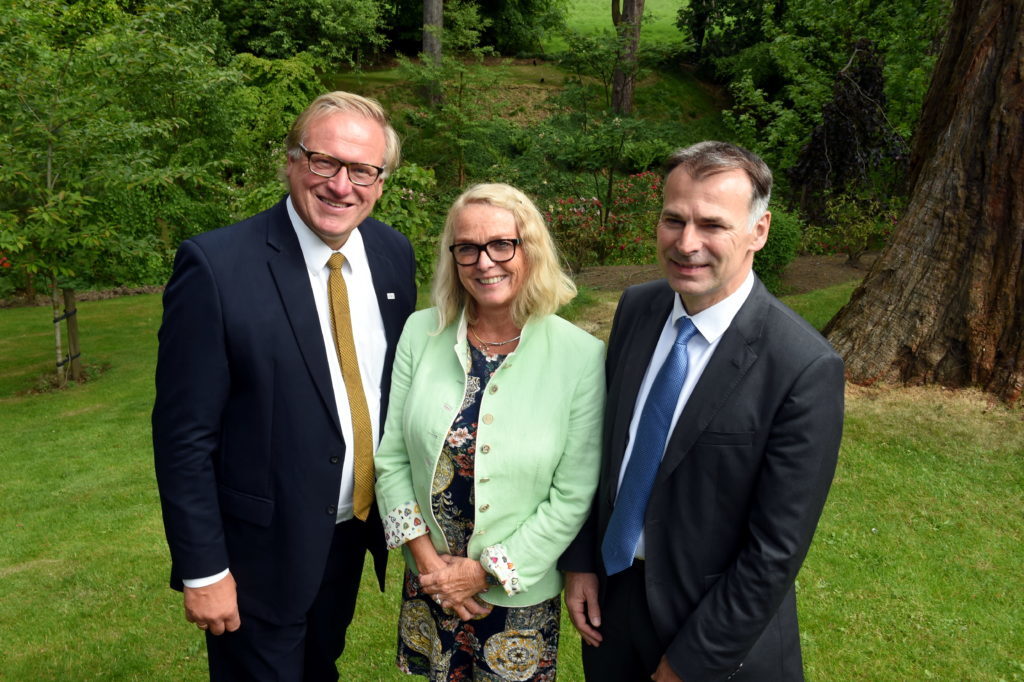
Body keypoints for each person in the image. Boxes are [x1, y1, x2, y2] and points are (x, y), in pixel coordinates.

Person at [152, 91, 416, 680]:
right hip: (258, 556)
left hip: (350, 535)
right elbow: (183, 437)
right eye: (324, 162)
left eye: (363, 171)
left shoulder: (393, 255)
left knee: (320, 668)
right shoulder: (216, 267)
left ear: (381, 179)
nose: (341, 186)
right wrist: (204, 569)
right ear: (292, 160)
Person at [560, 141, 845, 682]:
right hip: (613, 607)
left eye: (713, 224)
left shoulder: (804, 367)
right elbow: (601, 452)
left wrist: (691, 663)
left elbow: (775, 551)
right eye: (674, 219)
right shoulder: (638, 308)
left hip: (714, 636)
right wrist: (580, 561)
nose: (686, 243)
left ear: (758, 232)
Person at [374, 183, 605, 681]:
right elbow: (391, 457)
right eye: (467, 248)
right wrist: (430, 566)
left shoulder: (581, 357)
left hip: (517, 594)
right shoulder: (421, 332)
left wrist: (482, 572)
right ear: (453, 257)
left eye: (502, 244)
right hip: (430, 582)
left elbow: (573, 494)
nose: (485, 262)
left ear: (531, 249)